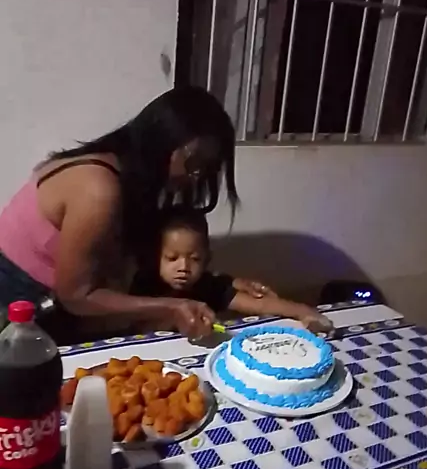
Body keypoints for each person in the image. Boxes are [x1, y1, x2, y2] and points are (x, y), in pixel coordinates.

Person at [0, 87, 264, 343]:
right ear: (161, 142)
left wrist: (223, 284)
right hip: (18, 303)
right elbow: (76, 296)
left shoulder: (132, 178)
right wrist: (170, 308)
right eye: (193, 163)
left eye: (206, 168)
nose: (196, 177)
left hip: (58, 301)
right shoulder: (98, 190)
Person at [131, 207, 334, 333]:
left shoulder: (208, 285)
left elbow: (260, 304)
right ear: (155, 257)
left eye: (195, 259)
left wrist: (303, 311)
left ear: (207, 259)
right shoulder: (145, 284)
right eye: (172, 258)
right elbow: (138, 328)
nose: (183, 267)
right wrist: (174, 319)